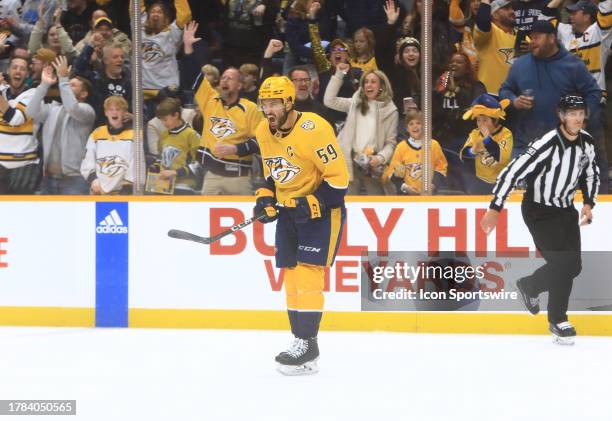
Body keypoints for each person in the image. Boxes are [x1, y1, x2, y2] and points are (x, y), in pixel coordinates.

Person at [481, 94, 599, 345]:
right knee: (563, 264)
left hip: (565, 210)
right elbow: (512, 171)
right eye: (572, 114)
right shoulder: (547, 144)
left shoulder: (586, 143)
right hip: (539, 211)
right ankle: (558, 319)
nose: (578, 118)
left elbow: (591, 173)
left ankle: (530, 286)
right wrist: (495, 207)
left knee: (572, 266)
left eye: (581, 113)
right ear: (561, 116)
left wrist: (588, 203)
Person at [254, 75, 348, 375]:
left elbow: (339, 179)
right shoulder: (262, 130)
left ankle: (308, 343)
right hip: (289, 214)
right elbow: (272, 174)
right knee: (292, 277)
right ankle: (301, 344)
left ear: (289, 102)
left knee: (308, 276)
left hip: (321, 213)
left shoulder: (315, 128)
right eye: (264, 102)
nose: (268, 108)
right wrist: (265, 199)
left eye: (274, 102)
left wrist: (311, 202)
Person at [499, 20, 605, 190]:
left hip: (564, 144)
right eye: (531, 38)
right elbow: (504, 90)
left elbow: (594, 93)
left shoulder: (573, 65)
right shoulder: (519, 64)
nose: (532, 42)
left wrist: (583, 116)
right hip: (527, 143)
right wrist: (514, 101)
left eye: (537, 37)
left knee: (560, 194)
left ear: (552, 38)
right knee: (519, 195)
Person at [182, 21, 263, 195]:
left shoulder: (250, 109)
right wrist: (188, 46)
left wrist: (235, 149)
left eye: (230, 78)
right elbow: (193, 75)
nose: (224, 80)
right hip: (212, 176)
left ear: (240, 85)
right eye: (223, 77)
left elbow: (261, 140)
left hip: (239, 178)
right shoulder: (210, 99)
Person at [26, 56, 96, 195]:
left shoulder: (88, 111)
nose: (67, 87)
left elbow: (72, 108)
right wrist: (44, 85)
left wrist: (63, 79)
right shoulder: (53, 108)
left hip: (74, 179)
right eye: (67, 84)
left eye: (73, 85)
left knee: (76, 217)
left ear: (84, 93)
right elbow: (30, 111)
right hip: (48, 178)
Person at [324, 64, 398, 194]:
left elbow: (391, 143)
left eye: (373, 82)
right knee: (348, 203)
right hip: (349, 161)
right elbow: (329, 101)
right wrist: (339, 75)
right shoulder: (355, 103)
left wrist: (380, 158)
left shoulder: (391, 111)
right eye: (366, 82)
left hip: (372, 164)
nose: (368, 85)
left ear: (381, 86)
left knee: (375, 204)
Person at [459, 93, 513, 194]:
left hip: (499, 181)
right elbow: (463, 155)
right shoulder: (475, 133)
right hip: (479, 181)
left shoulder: (505, 133)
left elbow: (501, 157)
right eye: (478, 120)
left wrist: (488, 138)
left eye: (485, 120)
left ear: (495, 120)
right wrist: (472, 151)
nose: (481, 124)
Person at [384, 110, 448, 194]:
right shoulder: (402, 147)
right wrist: (405, 187)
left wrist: (433, 185)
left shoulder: (433, 145)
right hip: (407, 198)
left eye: (418, 123)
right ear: (407, 128)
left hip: (429, 197)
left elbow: (441, 168)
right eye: (411, 124)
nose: (415, 126)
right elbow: (393, 172)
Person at [81, 96, 134, 195]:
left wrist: (127, 186)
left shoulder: (133, 135)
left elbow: (135, 162)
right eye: (110, 110)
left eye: (118, 109)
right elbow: (88, 159)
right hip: (97, 190)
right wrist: (93, 180)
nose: (114, 112)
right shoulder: (97, 133)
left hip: (123, 192)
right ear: (106, 113)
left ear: (124, 113)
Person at [148, 98, 201, 195]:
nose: (164, 123)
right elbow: (160, 159)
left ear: (176, 115)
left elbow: (199, 164)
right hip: (163, 185)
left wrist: (175, 172)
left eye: (165, 119)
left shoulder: (192, 135)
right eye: (161, 121)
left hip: (184, 186)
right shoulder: (164, 135)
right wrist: (155, 167)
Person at [0, 56, 38, 194]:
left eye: (22, 69)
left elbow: (15, 119)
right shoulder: (2, 91)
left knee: (21, 212)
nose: (18, 71)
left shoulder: (33, 94)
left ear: (27, 74)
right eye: (14, 67)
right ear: (8, 70)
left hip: (24, 166)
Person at [473, 0, 522, 95]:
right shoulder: (489, 33)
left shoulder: (521, 36)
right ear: (494, 14)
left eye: (512, 8)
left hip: (515, 98)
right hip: (490, 94)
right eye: (506, 9)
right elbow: (483, 22)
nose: (512, 11)